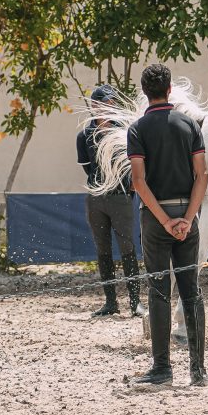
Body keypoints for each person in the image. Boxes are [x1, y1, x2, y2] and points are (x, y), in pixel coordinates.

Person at [127, 64, 208, 387]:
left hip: (156, 219)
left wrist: (164, 220)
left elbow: (138, 181)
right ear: (170, 89)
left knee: (159, 292)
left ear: (145, 92)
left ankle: (162, 368)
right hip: (187, 218)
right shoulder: (189, 125)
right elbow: (201, 176)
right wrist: (187, 219)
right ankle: (198, 370)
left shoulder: (137, 129)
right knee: (192, 292)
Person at [76, 84, 144, 318]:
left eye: (111, 103)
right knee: (102, 249)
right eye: (103, 103)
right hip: (96, 197)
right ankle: (110, 301)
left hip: (121, 196)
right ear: (94, 106)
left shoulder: (124, 132)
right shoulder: (84, 135)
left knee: (127, 248)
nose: (108, 108)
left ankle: (135, 302)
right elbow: (88, 168)